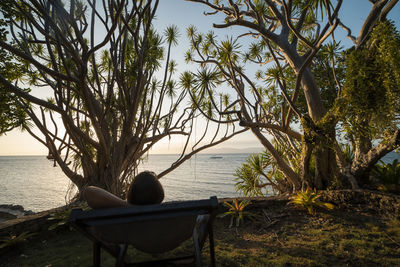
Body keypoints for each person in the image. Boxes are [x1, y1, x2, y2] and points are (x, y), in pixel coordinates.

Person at [84, 171, 164, 209]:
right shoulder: (168, 213)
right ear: (160, 193)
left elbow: (89, 191)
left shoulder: (123, 215)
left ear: (131, 193)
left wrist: (129, 206)